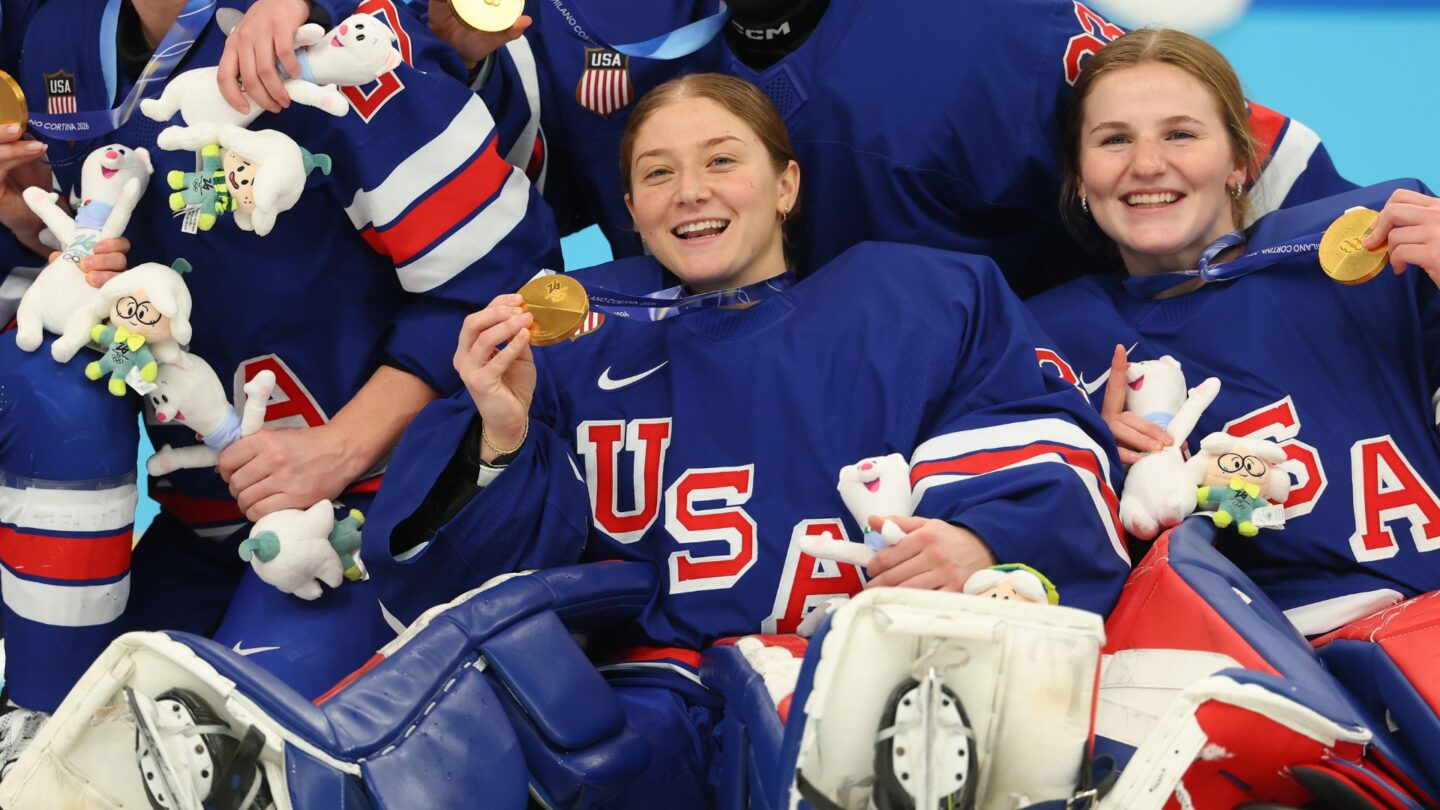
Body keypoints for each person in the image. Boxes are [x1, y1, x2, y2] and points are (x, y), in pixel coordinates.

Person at [358, 73, 1131, 805]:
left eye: (722, 160)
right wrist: (501, 432)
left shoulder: (922, 300)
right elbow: (446, 595)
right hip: (632, 712)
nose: (690, 191)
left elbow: (1040, 434)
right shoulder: (566, 346)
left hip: (869, 684)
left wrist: (981, 537)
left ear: (786, 185)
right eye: (658, 174)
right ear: (630, 208)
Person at [0, 0, 558, 765]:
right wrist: (38, 224)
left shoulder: (336, 32)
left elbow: (506, 279)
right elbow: (109, 263)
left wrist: (343, 447)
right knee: (82, 750)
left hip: (367, 517)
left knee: (231, 756)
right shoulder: (57, 34)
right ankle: (37, 705)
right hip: (204, 520)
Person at [225, 0, 1354, 298]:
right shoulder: (586, 19)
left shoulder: (992, 27)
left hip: (979, 440)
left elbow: (1225, 157)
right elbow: (500, 214)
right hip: (720, 427)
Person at [1025, 28, 1440, 638]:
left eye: (1180, 134)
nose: (1146, 164)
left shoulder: (1381, 246)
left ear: (1240, 163)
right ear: (1079, 181)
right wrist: (1084, 471)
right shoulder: (1042, 340)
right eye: (1114, 140)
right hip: (1235, 676)